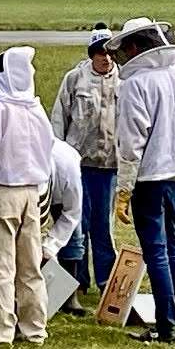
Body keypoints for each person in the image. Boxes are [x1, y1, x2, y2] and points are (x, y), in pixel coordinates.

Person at [104, 17, 175, 343]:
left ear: (135, 46)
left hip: (150, 179)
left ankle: (166, 326)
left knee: (157, 252)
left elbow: (131, 143)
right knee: (174, 250)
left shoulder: (136, 85)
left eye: (126, 48)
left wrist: (123, 190)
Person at [0, 46, 54, 345]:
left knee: (0, 266)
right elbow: (47, 152)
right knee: (30, 268)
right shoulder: (37, 110)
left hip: (1, 192)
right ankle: (34, 329)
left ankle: (1, 332)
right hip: (32, 193)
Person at [50, 23, 119, 312]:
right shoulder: (75, 79)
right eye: (99, 53)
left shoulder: (124, 80)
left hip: (108, 166)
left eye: (109, 52)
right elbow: (58, 118)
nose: (105, 58)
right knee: (77, 224)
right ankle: (78, 281)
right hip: (78, 165)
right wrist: (57, 159)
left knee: (103, 226)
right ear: (91, 54)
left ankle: (107, 282)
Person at [40, 139, 83, 266]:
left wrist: (51, 246)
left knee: (73, 237)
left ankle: (72, 280)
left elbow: (73, 213)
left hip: (65, 188)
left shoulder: (69, 173)